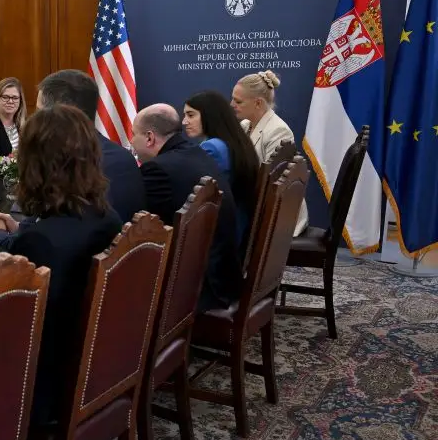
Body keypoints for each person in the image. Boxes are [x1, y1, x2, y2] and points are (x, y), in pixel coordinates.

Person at [0, 104, 122, 434]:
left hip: (46, 381)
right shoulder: (105, 215)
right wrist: (17, 231)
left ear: (37, 164)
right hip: (96, 357)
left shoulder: (42, 242)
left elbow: (13, 309)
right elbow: (54, 241)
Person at [131, 104, 241, 312]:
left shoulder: (158, 169)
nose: (131, 141)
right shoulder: (197, 153)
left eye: (133, 134)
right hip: (223, 276)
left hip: (199, 290)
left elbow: (144, 230)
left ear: (149, 138)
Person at [36, 69, 146, 222]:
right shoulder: (121, 155)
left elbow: (71, 229)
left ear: (59, 113)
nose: (36, 120)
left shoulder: (74, 163)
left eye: (39, 112)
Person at [231, 70, 309, 235]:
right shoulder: (244, 126)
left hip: (276, 212)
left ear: (258, 103)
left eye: (238, 101)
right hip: (253, 203)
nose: (232, 105)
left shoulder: (278, 131)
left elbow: (275, 184)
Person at [183, 90, 259, 246]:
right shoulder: (236, 142)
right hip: (238, 225)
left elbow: (200, 196)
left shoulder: (212, 147)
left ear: (209, 115)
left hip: (220, 236)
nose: (184, 122)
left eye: (190, 115)